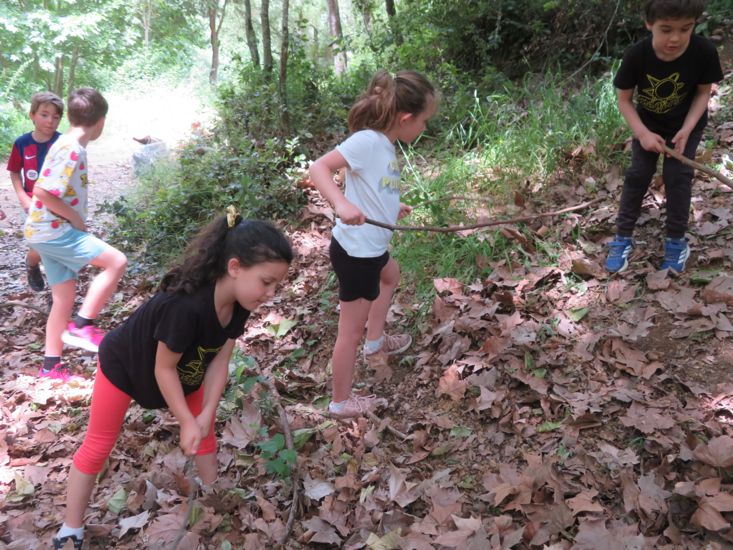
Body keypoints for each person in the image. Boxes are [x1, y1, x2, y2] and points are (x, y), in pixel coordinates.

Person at [51, 213, 293, 549]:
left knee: (204, 432)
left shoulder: (240, 303)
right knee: (98, 445)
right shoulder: (185, 307)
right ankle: (70, 528)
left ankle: (213, 497)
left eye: (276, 284)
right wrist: (185, 421)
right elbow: (162, 369)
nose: (271, 292)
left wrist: (206, 412)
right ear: (235, 267)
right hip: (125, 366)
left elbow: (220, 361)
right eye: (266, 281)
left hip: (184, 373)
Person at [309, 70, 437, 419]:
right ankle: (340, 402)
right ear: (405, 118)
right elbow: (318, 168)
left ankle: (376, 342)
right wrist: (341, 204)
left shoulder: (384, 146)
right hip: (356, 254)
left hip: (372, 248)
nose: (425, 128)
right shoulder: (367, 141)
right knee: (349, 332)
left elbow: (373, 187)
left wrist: (392, 206)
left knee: (391, 276)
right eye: (424, 121)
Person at [605, 0, 723, 274]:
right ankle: (622, 237)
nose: (675, 38)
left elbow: (703, 93)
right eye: (666, 29)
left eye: (685, 29)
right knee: (638, 174)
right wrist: (643, 134)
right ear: (649, 24)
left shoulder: (704, 51)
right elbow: (624, 100)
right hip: (648, 126)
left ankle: (676, 241)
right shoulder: (637, 55)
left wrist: (687, 128)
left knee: (677, 176)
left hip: (686, 125)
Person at [24, 88, 128, 380]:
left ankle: (50, 366)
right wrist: (75, 219)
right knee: (116, 262)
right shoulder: (70, 148)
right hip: (53, 231)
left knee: (64, 297)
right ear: (101, 121)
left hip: (44, 232)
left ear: (69, 116)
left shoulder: (67, 144)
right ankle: (83, 326)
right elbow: (43, 192)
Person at [6, 91, 64, 291]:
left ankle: (58, 293)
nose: (50, 121)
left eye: (56, 117)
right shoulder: (21, 143)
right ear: (32, 115)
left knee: (56, 246)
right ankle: (31, 265)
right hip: (32, 203)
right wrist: (23, 197)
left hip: (58, 204)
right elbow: (14, 172)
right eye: (44, 115)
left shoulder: (63, 143)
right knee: (39, 245)